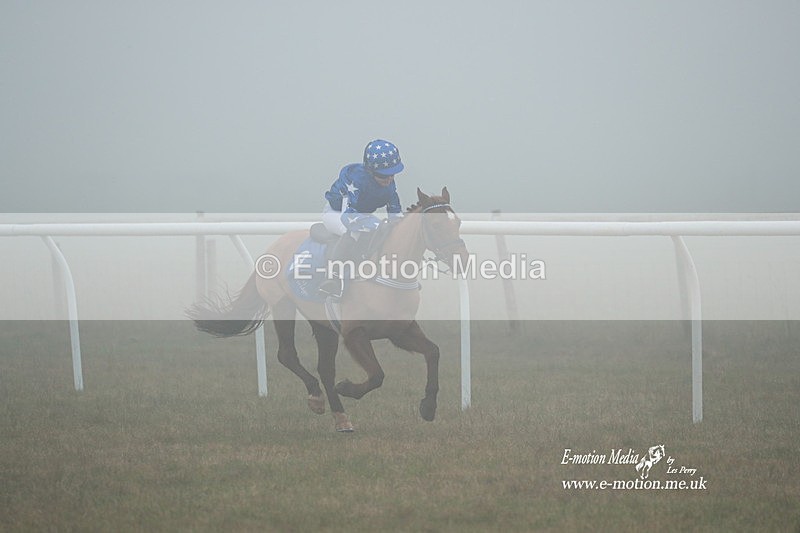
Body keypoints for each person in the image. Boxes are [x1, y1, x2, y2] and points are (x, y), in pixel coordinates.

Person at [318, 139, 405, 298]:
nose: (388, 179)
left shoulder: (389, 184)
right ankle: (332, 277)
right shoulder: (355, 180)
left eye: (392, 174)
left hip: (360, 214)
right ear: (370, 171)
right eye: (383, 175)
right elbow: (348, 217)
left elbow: (395, 212)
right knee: (354, 232)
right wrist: (378, 225)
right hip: (337, 213)